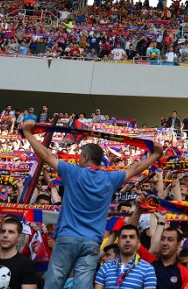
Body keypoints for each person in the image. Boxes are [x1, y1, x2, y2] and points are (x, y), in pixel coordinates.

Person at [22, 121, 165, 289]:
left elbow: (46, 156)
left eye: (79, 157)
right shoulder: (110, 178)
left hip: (67, 237)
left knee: (53, 284)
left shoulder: (72, 172)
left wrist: (28, 133)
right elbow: (136, 169)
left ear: (85, 158)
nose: (78, 160)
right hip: (92, 242)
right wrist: (156, 154)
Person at [94, 225, 156, 289]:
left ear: (138, 242)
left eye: (132, 237)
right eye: (124, 237)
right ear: (118, 242)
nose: (127, 240)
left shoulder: (148, 269)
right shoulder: (105, 267)